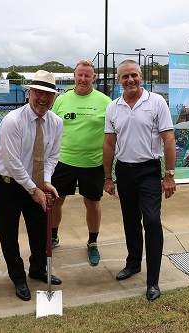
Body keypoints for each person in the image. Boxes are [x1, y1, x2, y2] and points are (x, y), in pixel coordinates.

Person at [103, 59, 177, 302]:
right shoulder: (113, 107)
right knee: (130, 220)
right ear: (119, 80)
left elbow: (168, 139)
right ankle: (133, 263)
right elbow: (109, 143)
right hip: (124, 171)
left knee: (152, 221)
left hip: (149, 171)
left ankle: (153, 281)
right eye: (125, 76)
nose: (130, 80)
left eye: (133, 75)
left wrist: (169, 175)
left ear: (141, 75)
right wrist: (107, 177)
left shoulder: (156, 102)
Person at [0, 70, 63, 302]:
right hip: (8, 185)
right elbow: (12, 163)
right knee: (9, 235)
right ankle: (18, 277)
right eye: (38, 92)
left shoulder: (56, 122)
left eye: (48, 94)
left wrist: (45, 183)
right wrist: (33, 190)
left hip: (37, 184)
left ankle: (38, 269)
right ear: (29, 92)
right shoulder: (12, 121)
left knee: (41, 231)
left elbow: (52, 156)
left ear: (54, 97)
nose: (43, 98)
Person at [50, 59, 112, 266]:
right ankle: (53, 237)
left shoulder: (105, 102)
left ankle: (92, 243)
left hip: (93, 164)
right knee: (56, 201)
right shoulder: (61, 100)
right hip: (63, 162)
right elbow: (51, 129)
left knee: (92, 203)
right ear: (74, 76)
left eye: (87, 75)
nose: (83, 79)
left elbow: (112, 135)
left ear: (93, 78)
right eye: (80, 75)